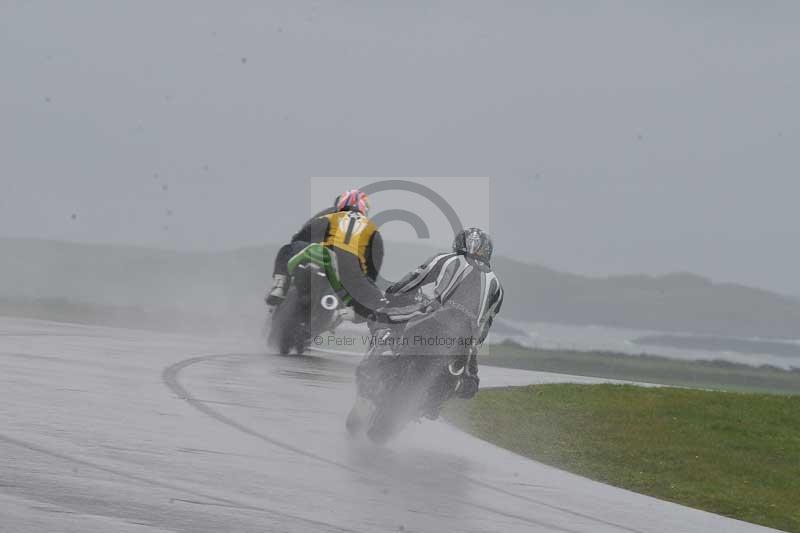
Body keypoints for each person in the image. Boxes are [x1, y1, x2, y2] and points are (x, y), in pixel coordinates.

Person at [365, 227, 503, 410]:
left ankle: (377, 358)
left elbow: (415, 279)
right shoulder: (497, 287)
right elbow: (485, 325)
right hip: (465, 339)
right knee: (469, 383)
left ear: (460, 243)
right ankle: (434, 403)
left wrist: (393, 292)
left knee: (380, 316)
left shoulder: (448, 259)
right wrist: (473, 346)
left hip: (434, 317)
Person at [265, 188, 386, 319]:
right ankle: (350, 314)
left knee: (287, 249)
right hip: (351, 269)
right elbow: (374, 265)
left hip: (325, 254)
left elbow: (302, 236)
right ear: (365, 210)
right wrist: (366, 282)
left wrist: (298, 246)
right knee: (379, 302)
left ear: (340, 205)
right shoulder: (373, 230)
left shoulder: (330, 216)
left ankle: (280, 286)